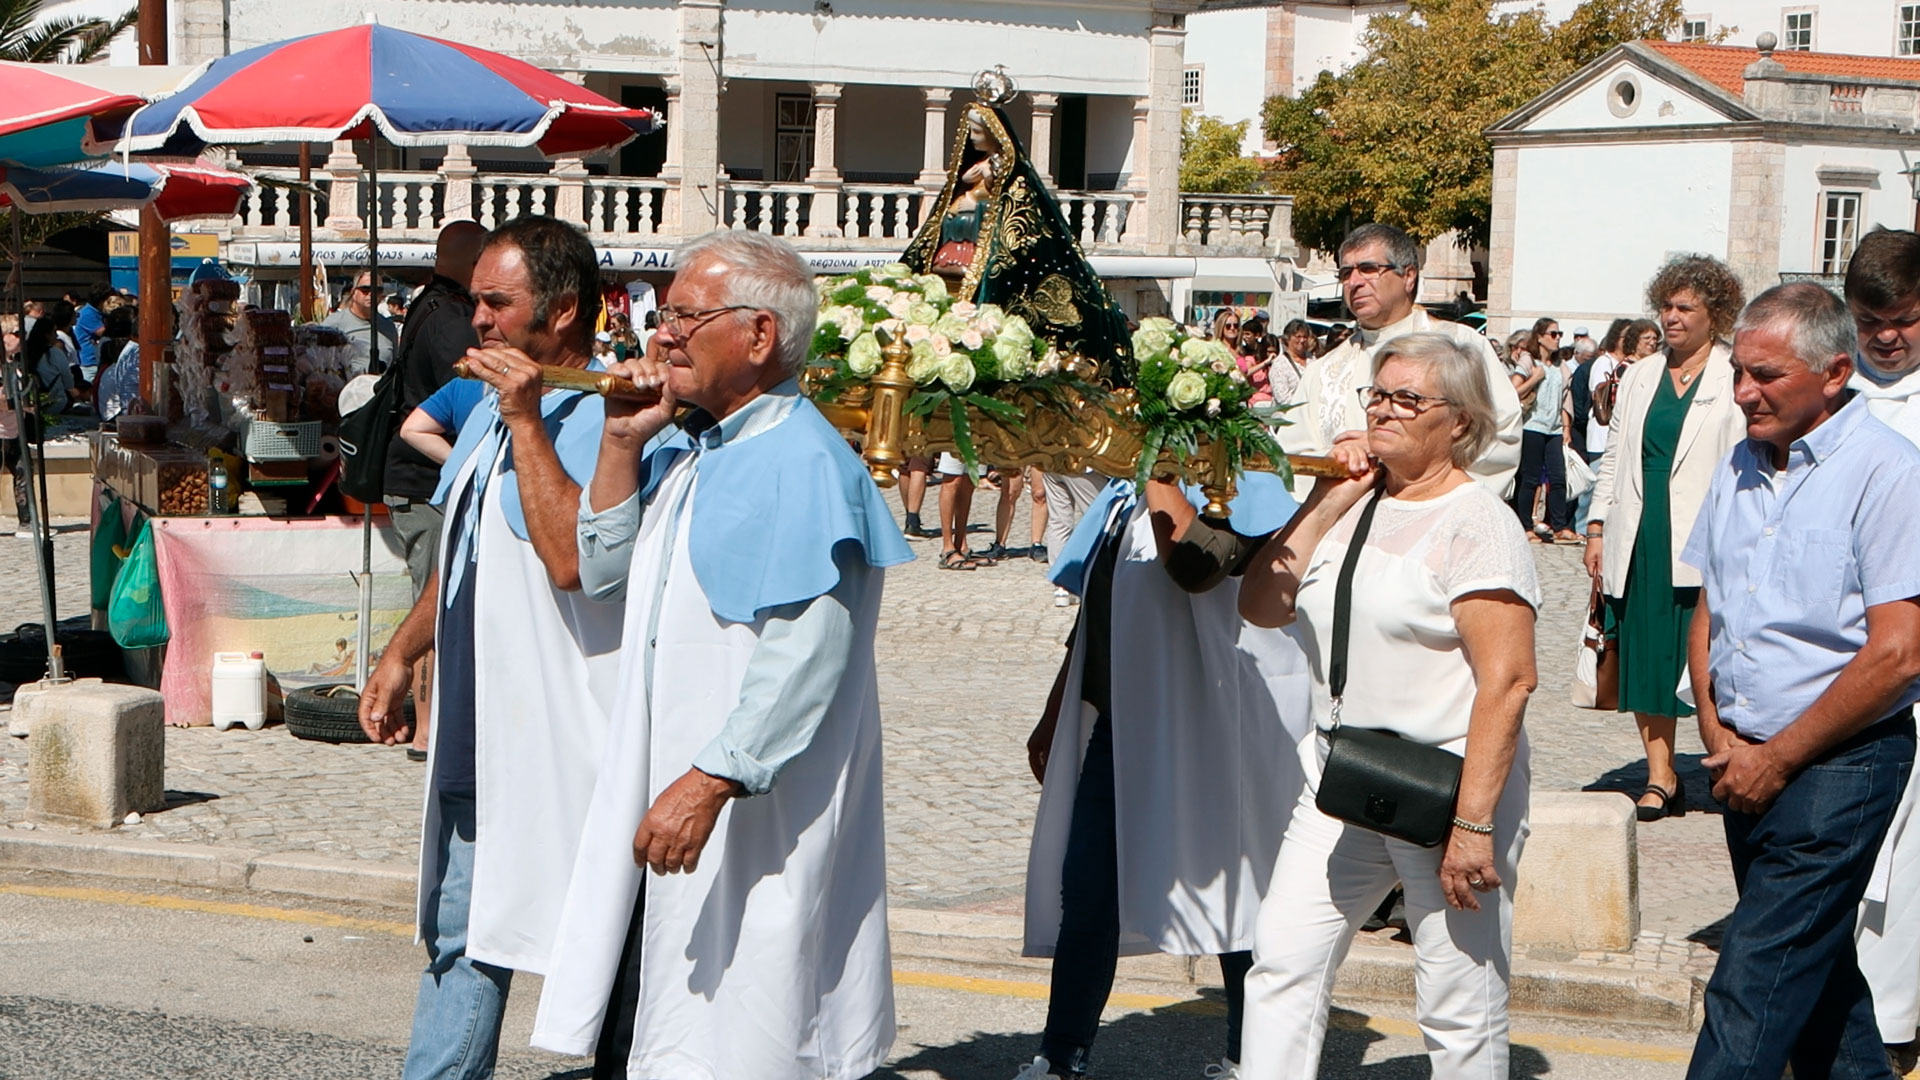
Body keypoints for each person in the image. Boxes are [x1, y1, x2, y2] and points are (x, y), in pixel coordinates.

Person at [536, 230, 910, 1080]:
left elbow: (810, 651)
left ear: (758, 336)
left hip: (740, 809)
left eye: (682, 317)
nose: (659, 334)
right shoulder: (697, 447)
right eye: (662, 315)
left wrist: (711, 780)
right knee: (655, 1025)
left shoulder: (804, 460)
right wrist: (621, 444)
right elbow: (598, 573)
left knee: (747, 1029)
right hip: (662, 788)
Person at [357, 216, 625, 1080]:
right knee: (460, 928)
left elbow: (569, 559)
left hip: (564, 736)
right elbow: (463, 554)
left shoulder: (611, 418)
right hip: (480, 723)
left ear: (562, 314)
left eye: (496, 303)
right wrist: (401, 654)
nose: (476, 320)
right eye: (474, 301)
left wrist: (529, 418)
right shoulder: (484, 411)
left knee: (602, 940)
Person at [1238, 332, 1539, 1077]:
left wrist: (1474, 826)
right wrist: (1326, 499)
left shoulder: (1478, 525)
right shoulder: (1354, 503)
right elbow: (1261, 604)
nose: (1384, 410)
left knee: (1457, 996)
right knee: (1281, 964)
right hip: (1342, 774)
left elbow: (1509, 681)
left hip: (1445, 791)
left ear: (1460, 423)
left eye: (1409, 399)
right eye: (1379, 394)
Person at [1682, 282, 1920, 1080]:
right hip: (1742, 761)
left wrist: (1779, 756)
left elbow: (1898, 653)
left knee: (1753, 979)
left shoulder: (1889, 473)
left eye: (1767, 376)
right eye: (1740, 374)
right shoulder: (1739, 468)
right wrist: (1718, 734)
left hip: (1839, 765)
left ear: (1834, 372)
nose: (1745, 393)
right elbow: (1710, 607)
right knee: (1816, 982)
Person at [1016, 464, 1309, 1080]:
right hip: (1124, 728)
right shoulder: (1124, 496)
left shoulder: (1246, 483)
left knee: (1237, 891)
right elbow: (1097, 614)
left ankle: (1249, 1056)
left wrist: (1160, 474)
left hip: (1214, 731)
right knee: (1089, 887)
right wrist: (1057, 710)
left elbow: (1196, 568)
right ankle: (1061, 1055)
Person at [1585, 255, 1747, 823]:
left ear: (1716, 314)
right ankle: (1660, 775)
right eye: (1666, 306)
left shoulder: (1734, 373)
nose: (1671, 318)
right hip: (1641, 527)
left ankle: (1727, 760)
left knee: (1705, 657)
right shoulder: (1641, 374)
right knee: (1648, 655)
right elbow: (1613, 456)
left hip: (1706, 531)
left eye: (1685, 308)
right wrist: (1597, 525)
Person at [1276, 222, 1523, 496]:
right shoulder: (1322, 371)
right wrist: (1343, 460)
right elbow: (1292, 457)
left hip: (1433, 521)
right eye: (1346, 273)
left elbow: (1500, 437)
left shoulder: (1462, 347)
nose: (1354, 282)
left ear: (1408, 276)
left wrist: (1392, 456)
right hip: (1343, 527)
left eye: (1368, 269)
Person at [1841, 228, 1920, 1068]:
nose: (1886, 337)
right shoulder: (1831, 396)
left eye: (1902, 320)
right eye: (1869, 322)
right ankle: (1872, 1025)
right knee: (1871, 858)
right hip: (1851, 653)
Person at [381, 220, 487, 765]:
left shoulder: (427, 305)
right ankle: (425, 732)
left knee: (435, 601)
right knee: (433, 607)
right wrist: (470, 465)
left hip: (417, 479)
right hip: (424, 485)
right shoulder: (451, 320)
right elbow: (466, 389)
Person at [1512, 336, 1574, 541]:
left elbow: (1566, 397)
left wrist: (1566, 427)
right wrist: (1535, 379)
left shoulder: (1560, 366)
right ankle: (1525, 526)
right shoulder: (1530, 361)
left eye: (1559, 334)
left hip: (1555, 429)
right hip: (1533, 425)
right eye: (1553, 334)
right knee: (1530, 479)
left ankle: (1559, 526)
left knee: (1558, 479)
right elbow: (1513, 391)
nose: (1558, 338)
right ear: (1540, 337)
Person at [323, 270, 401, 375]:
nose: (371, 294)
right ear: (353, 293)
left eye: (377, 290)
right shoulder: (333, 325)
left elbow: (394, 366)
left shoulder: (388, 327)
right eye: (365, 289)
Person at [73, 284, 110, 384]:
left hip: (96, 361)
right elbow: (104, 332)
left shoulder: (97, 313)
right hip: (89, 364)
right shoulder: (88, 313)